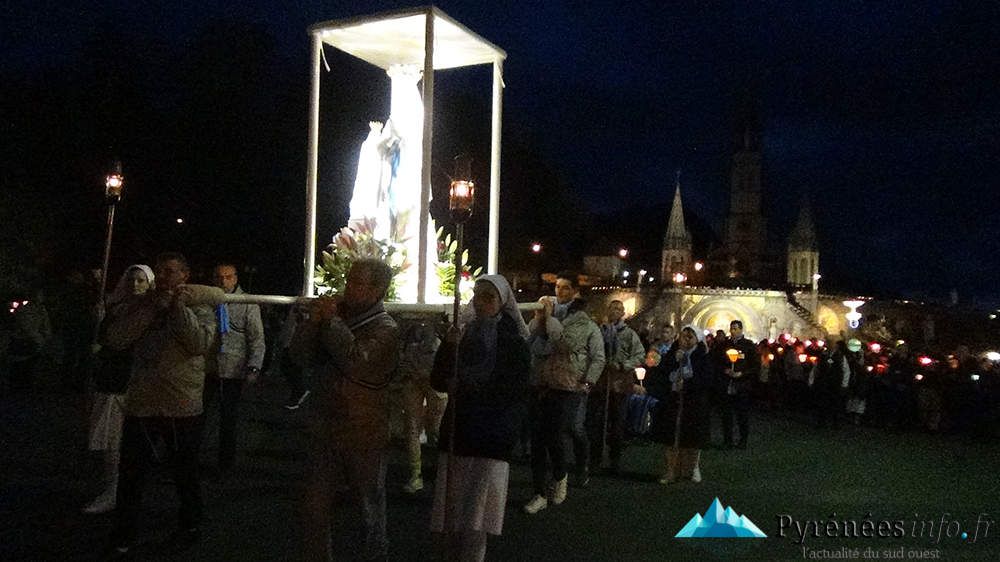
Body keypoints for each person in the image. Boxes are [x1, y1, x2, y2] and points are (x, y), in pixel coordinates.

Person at [106, 252, 217, 555]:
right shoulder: (143, 303)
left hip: (181, 402)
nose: (163, 276)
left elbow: (199, 344)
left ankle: (191, 522)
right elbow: (117, 338)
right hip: (143, 401)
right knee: (131, 472)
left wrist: (178, 309)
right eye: (159, 271)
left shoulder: (201, 306)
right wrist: (151, 311)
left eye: (170, 271)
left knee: (184, 470)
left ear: (185, 275)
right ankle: (124, 531)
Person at [291, 258, 399, 561]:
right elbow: (299, 357)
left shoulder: (386, 328)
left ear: (378, 290)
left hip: (363, 434)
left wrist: (331, 323)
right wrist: (313, 323)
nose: (347, 288)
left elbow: (357, 362)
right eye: (348, 280)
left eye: (357, 283)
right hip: (325, 430)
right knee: (313, 511)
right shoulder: (335, 316)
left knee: (367, 514)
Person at [430, 275, 530, 562]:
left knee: (477, 518)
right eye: (478, 295)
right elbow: (438, 380)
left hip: (491, 436)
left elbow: (515, 390)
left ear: (502, 302)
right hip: (459, 432)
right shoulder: (462, 335)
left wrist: (473, 389)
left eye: (489, 297)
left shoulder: (514, 342)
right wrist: (448, 347)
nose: (481, 302)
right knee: (452, 518)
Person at [524, 272, 604, 514]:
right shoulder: (544, 313)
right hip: (542, 383)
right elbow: (529, 338)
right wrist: (539, 319)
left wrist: (588, 382)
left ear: (575, 292)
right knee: (537, 438)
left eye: (566, 288)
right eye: (558, 287)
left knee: (557, 434)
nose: (560, 292)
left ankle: (560, 475)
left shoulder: (586, 324)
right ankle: (538, 492)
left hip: (569, 385)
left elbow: (589, 354)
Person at [83, 264, 154, 514]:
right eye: (132, 280)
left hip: (133, 383)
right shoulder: (116, 307)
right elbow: (105, 340)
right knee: (111, 441)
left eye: (141, 281)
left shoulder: (150, 311)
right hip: (111, 381)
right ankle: (112, 487)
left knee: (125, 442)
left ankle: (119, 491)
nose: (136, 285)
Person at [203, 263, 265, 473]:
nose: (223, 282)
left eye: (228, 277)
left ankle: (225, 465)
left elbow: (256, 338)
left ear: (236, 278)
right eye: (219, 277)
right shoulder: (207, 300)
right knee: (198, 417)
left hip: (233, 369)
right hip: (208, 367)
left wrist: (254, 367)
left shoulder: (247, 303)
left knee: (228, 420)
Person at [636, 326, 711, 483]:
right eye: (684, 336)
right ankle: (671, 470)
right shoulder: (672, 354)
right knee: (671, 437)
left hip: (693, 402)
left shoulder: (702, 357)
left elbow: (705, 378)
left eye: (690, 337)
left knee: (691, 438)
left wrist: (689, 382)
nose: (686, 340)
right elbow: (662, 373)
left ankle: (692, 468)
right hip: (673, 401)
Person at [589, 299, 645, 474]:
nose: (615, 311)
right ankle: (595, 459)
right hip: (601, 383)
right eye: (613, 308)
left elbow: (639, 355)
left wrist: (622, 365)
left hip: (620, 385)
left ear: (623, 313)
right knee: (597, 423)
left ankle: (615, 460)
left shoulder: (629, 334)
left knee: (617, 424)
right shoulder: (599, 332)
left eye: (619, 309)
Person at [398, 317, 446, 494]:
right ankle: (417, 473)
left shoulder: (437, 326)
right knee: (414, 426)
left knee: (435, 427)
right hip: (417, 377)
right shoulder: (414, 328)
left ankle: (432, 471)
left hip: (431, 379)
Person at [717, 320, 759, 448]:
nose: (733, 331)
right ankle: (727, 440)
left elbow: (755, 365)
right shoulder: (725, 345)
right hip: (727, 384)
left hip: (742, 385)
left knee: (742, 414)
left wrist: (742, 373)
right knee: (726, 414)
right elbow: (718, 361)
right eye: (731, 329)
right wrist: (725, 370)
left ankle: (742, 441)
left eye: (735, 329)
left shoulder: (748, 345)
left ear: (741, 329)